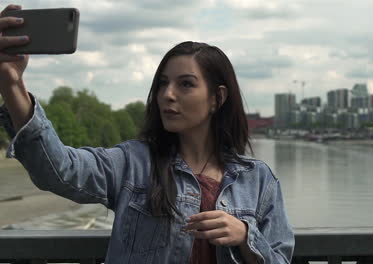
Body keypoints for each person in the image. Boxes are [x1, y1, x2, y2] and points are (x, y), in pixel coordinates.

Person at [0, 4, 295, 263]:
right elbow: (60, 170)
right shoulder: (134, 163)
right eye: (163, 83)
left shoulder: (258, 181)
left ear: (217, 98)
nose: (167, 95)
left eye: (186, 84)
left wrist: (245, 236)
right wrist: (12, 86)